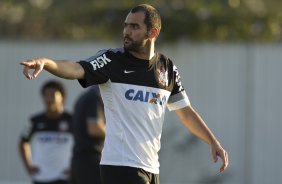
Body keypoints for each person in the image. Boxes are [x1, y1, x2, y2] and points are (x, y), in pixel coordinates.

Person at [20, 4, 229, 184]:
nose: (126, 31)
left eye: (134, 27)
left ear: (153, 33)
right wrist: (47, 63)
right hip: (120, 164)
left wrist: (212, 141)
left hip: (151, 167)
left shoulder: (166, 68)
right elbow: (76, 68)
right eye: (126, 25)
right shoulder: (112, 61)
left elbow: (185, 113)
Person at [19, 80, 73, 184]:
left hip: (64, 178)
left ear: (62, 97)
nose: (49, 99)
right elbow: (23, 142)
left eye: (53, 95)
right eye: (46, 95)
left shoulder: (72, 120)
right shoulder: (34, 121)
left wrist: (75, 167)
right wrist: (29, 166)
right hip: (41, 178)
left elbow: (82, 145)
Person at [71, 86, 105, 184]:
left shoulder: (85, 96)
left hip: (81, 160)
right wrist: (119, 133)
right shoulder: (95, 96)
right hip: (91, 160)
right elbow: (94, 128)